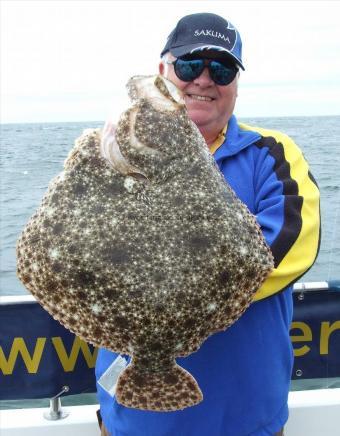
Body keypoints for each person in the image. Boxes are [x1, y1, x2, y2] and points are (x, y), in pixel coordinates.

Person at [95, 12, 320, 436]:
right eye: (188, 65)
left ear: (235, 82)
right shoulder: (112, 153)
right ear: (162, 71)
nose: (203, 79)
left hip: (246, 417)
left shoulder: (271, 153)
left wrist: (160, 287)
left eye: (221, 68)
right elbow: (73, 245)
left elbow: (292, 248)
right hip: (130, 418)